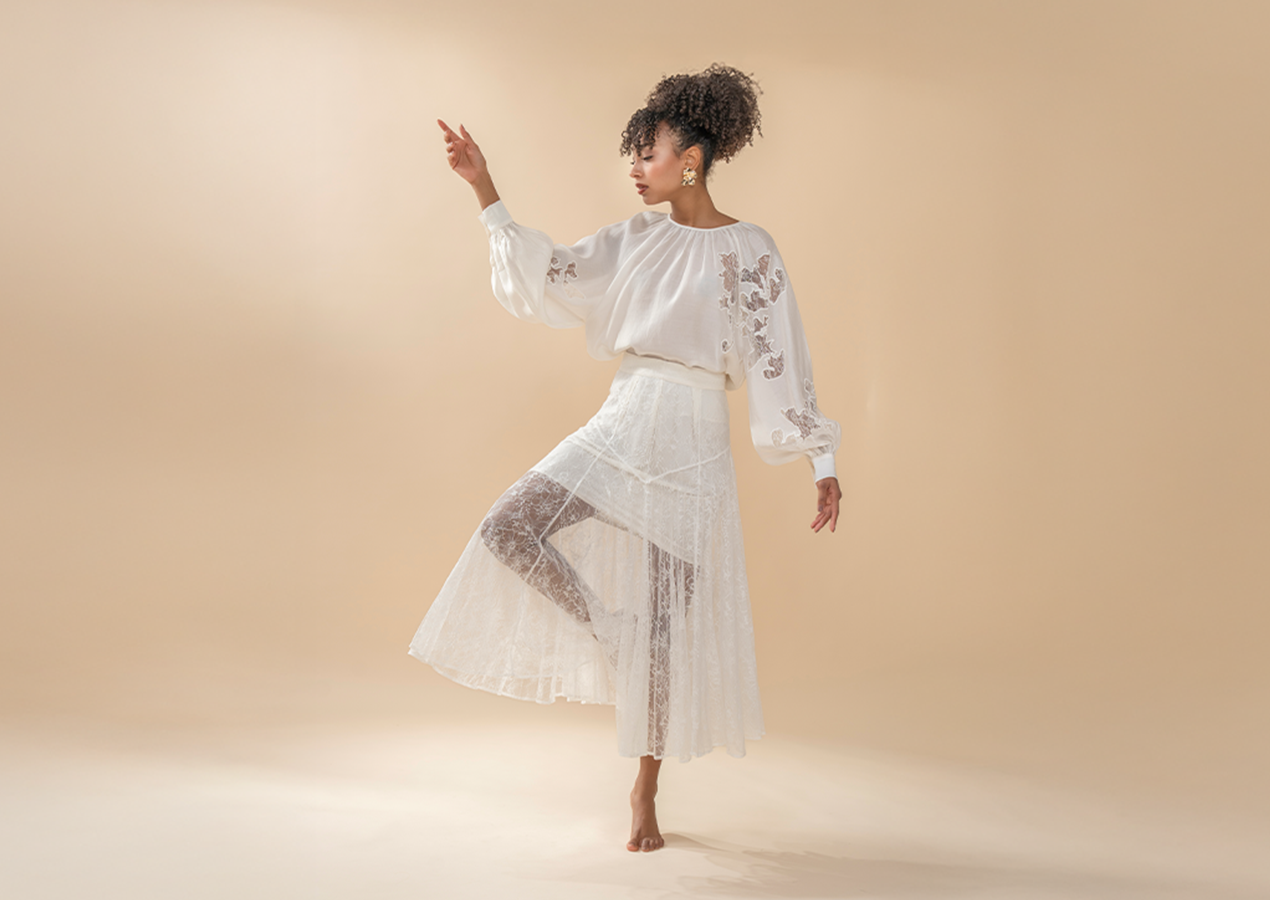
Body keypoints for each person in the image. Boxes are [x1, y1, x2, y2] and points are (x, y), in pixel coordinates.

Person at [409, 64, 842, 853]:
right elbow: (549, 276)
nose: (635, 169)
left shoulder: (751, 250)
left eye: (649, 154)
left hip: (693, 441)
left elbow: (781, 355)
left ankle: (644, 787)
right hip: (626, 419)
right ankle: (610, 628)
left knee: (667, 623)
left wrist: (821, 461)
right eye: (633, 155)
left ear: (692, 160)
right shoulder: (634, 239)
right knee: (511, 526)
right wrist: (484, 188)